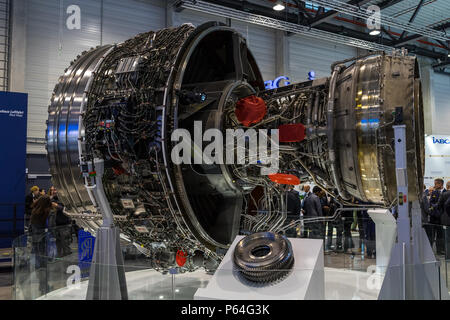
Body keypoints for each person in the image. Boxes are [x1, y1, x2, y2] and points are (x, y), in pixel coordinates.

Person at [30, 195, 58, 294]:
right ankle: (44, 286)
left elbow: (30, 229)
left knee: (39, 265)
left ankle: (42, 285)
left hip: (36, 242)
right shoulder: (49, 213)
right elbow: (51, 227)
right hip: (45, 242)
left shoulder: (34, 212)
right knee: (45, 264)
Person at [429, 178, 445, 254]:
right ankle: (430, 251)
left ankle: (440, 250)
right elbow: (431, 203)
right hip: (434, 217)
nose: (435, 185)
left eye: (436, 184)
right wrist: (436, 207)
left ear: (440, 184)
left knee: (440, 235)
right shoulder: (434, 192)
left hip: (443, 218)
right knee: (432, 234)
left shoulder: (446, 192)